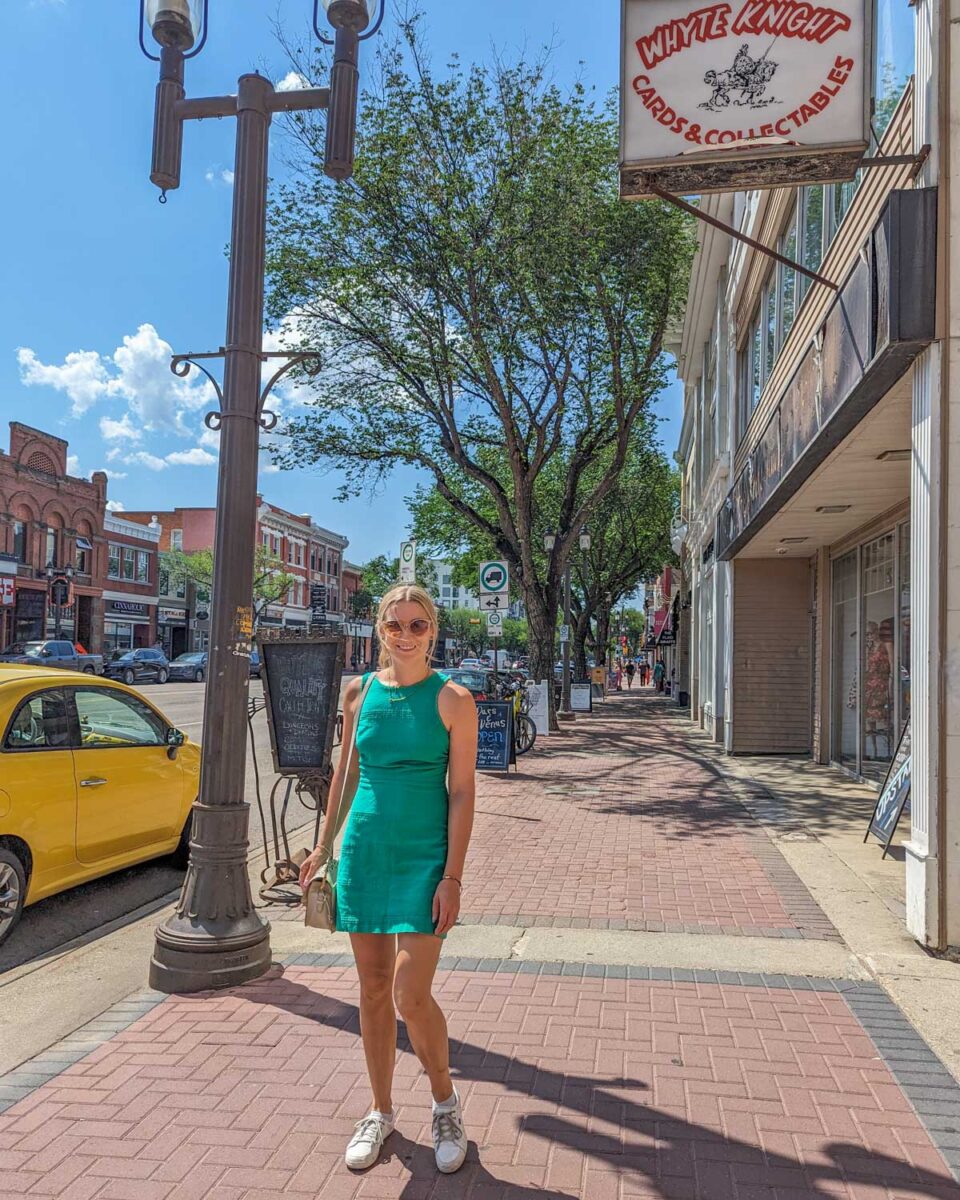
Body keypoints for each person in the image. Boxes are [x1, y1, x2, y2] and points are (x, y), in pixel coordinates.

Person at [299, 584, 478, 1177]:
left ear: (434, 630)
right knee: (373, 989)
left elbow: (461, 793)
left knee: (410, 992)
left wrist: (452, 876)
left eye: (417, 625)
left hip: (424, 858)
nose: (405, 634)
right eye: (394, 624)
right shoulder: (360, 692)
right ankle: (379, 1110)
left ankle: (445, 1102)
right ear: (378, 628)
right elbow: (345, 776)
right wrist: (324, 847)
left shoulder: (453, 700)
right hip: (365, 853)